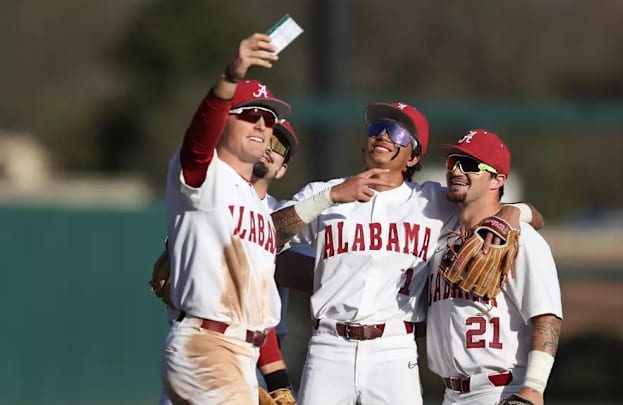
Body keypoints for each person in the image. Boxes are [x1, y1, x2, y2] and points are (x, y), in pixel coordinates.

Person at [270, 102, 544, 405]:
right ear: (364, 145)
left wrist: (513, 211)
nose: (385, 135)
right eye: (377, 128)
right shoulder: (324, 193)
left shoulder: (432, 202)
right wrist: (329, 198)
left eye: (399, 132)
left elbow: (517, 210)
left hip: (394, 349)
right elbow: (264, 237)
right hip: (328, 345)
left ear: (413, 156)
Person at [161, 32, 291, 405]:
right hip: (206, 344)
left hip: (243, 354)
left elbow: (258, 310)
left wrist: (279, 384)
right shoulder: (204, 176)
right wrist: (230, 78)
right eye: (250, 114)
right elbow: (198, 141)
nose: (263, 125)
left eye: (270, 119)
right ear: (224, 121)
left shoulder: (260, 211)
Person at [425, 129, 563, 405]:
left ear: (498, 179)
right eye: (453, 162)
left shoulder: (521, 238)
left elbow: (546, 317)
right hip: (450, 394)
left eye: (470, 165)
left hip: (500, 390)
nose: (456, 171)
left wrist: (534, 388)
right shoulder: (441, 237)